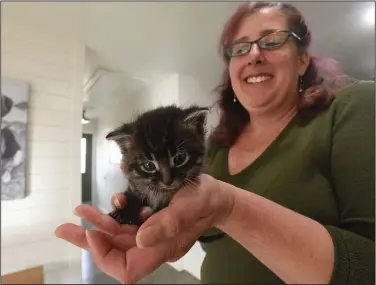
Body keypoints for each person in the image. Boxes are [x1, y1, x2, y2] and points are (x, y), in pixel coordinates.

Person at [55, 2, 375, 284]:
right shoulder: (218, 145)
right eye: (239, 48)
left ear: (303, 59)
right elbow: (213, 236)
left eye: (272, 40)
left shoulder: (353, 106)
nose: (254, 54)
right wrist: (164, 224)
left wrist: (228, 206)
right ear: (232, 68)